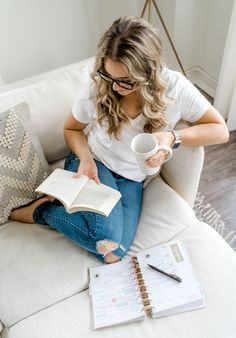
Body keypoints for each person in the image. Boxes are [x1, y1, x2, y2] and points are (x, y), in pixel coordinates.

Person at [10, 16, 229, 264]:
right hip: (94, 163)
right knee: (103, 236)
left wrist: (172, 136)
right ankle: (43, 212)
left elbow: (220, 130)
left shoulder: (175, 87)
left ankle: (55, 203)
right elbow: (71, 129)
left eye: (125, 80)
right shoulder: (98, 90)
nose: (115, 87)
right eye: (108, 76)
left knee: (114, 253)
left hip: (132, 178)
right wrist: (85, 159)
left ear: (149, 71)